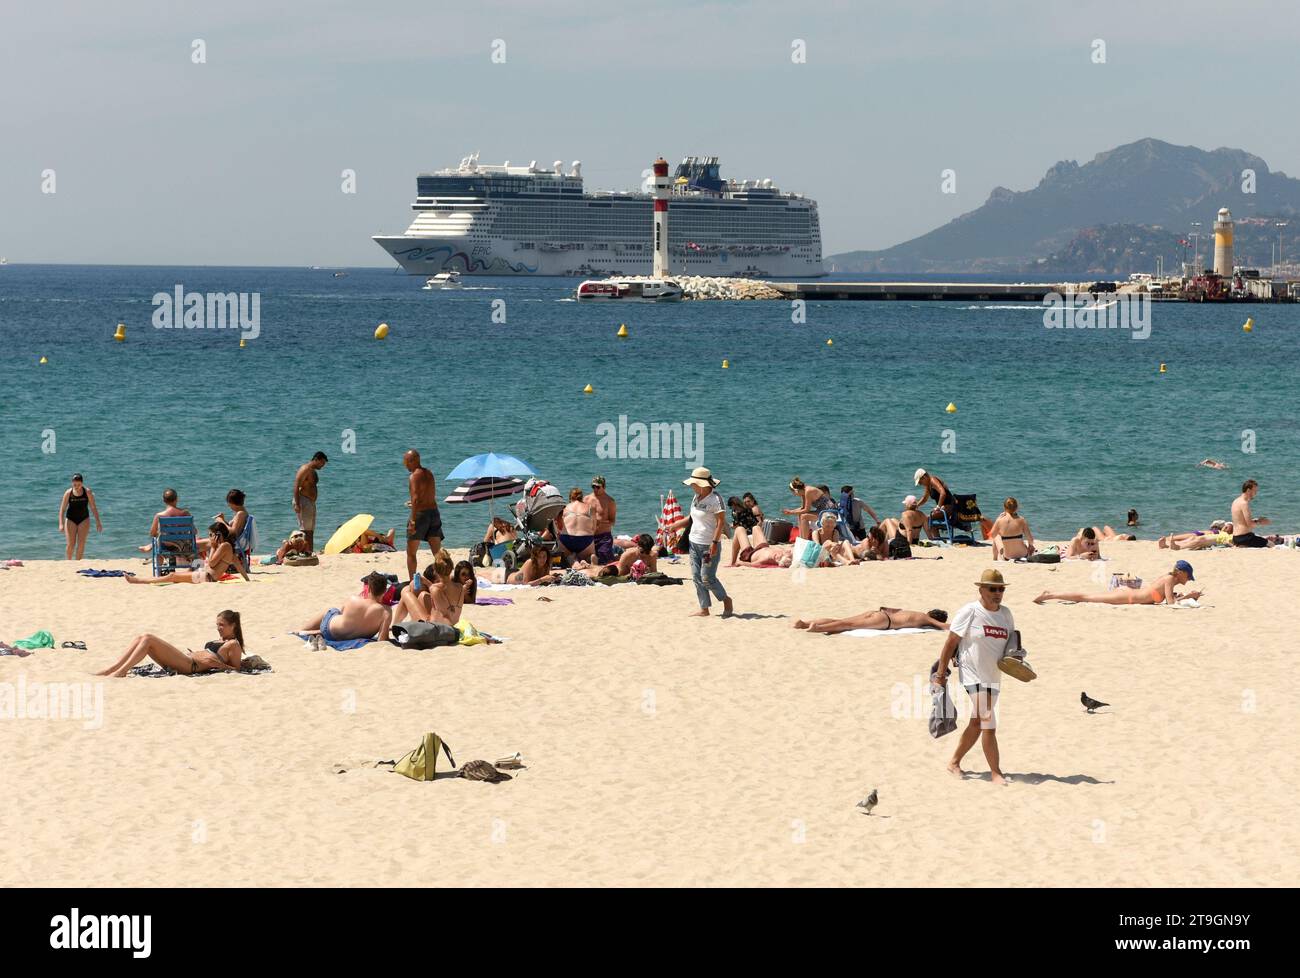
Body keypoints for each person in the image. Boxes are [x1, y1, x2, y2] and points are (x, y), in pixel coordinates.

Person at [935, 569, 1015, 785]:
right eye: (992, 589)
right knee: (988, 720)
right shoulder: (970, 611)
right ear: (981, 589)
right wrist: (941, 674)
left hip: (993, 675)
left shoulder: (1006, 614)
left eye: (1000, 589)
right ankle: (996, 772)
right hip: (972, 674)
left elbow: (1012, 644)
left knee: (977, 723)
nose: (997, 593)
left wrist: (1018, 655)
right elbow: (951, 642)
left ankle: (954, 762)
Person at [96, 610, 245, 678]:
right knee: (141, 637)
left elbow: (237, 669)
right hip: (185, 659)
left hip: (190, 666)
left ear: (233, 626)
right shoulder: (219, 640)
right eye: (217, 624)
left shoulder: (233, 644)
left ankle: (122, 671)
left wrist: (220, 666)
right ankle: (114, 668)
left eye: (222, 625)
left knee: (148, 638)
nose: (218, 628)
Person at [678, 467, 733, 617]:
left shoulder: (716, 499)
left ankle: (726, 600)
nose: (691, 486)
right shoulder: (696, 497)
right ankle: (704, 608)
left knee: (707, 577)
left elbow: (721, 522)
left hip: (709, 546)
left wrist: (715, 543)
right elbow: (692, 517)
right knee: (696, 577)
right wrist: (675, 526)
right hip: (693, 544)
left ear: (702, 484)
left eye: (693, 484)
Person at [1034, 559, 1202, 605]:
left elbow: (1165, 599)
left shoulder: (1170, 580)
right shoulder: (1169, 579)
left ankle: (1051, 594)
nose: (1188, 579)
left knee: (1087, 597)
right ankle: (1051, 595)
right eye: (1188, 576)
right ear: (1181, 573)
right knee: (1086, 597)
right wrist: (1189, 596)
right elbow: (1171, 604)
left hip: (1129, 594)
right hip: (1127, 597)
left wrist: (1184, 596)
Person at [126, 523, 249, 584]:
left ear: (218, 535)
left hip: (207, 578)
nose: (209, 537)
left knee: (172, 576)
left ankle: (139, 580)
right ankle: (144, 580)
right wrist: (248, 580)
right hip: (204, 574)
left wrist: (212, 547)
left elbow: (211, 563)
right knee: (190, 567)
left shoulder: (224, 546)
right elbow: (238, 564)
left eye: (210, 535)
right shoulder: (226, 546)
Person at [302, 571, 393, 642]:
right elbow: (382, 639)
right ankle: (310, 632)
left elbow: (342, 613)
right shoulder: (386, 611)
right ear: (385, 591)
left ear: (368, 588)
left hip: (329, 631)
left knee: (331, 611)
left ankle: (302, 630)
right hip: (349, 636)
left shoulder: (354, 599)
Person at [402, 449, 443, 577]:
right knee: (437, 553)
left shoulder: (414, 476)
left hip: (421, 516)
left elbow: (416, 498)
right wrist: (414, 503)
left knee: (411, 553)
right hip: (434, 513)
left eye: (406, 462)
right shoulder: (429, 473)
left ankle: (412, 581)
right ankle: (444, 578)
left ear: (412, 461)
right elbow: (429, 495)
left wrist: (413, 520)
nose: (405, 465)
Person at [394, 552, 459, 626]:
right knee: (411, 589)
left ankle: (395, 624)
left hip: (435, 627)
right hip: (443, 626)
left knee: (407, 592)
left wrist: (428, 583)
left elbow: (438, 593)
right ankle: (395, 624)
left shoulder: (436, 589)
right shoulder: (457, 586)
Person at [794, 607, 949, 634]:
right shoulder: (924, 618)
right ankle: (817, 628)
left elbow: (893, 609)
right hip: (884, 621)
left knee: (842, 620)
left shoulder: (915, 613)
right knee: (847, 625)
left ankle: (804, 623)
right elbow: (944, 626)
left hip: (879, 613)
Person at [58, 473, 102, 560]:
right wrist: (61, 524)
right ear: (72, 483)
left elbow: (93, 507)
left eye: (79, 484)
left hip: (84, 519)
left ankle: (78, 563)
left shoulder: (87, 492)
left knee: (81, 544)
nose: (77, 486)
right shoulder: (68, 493)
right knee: (71, 544)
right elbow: (62, 509)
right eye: (75, 484)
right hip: (70, 519)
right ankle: (69, 561)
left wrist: (98, 522)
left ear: (82, 483)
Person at [293, 452, 328, 552]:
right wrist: (297, 503)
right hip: (303, 500)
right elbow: (296, 485)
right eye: (322, 463)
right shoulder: (305, 469)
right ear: (316, 459)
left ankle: (310, 551)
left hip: (310, 502)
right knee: (304, 530)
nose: (322, 466)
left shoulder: (312, 471)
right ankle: (304, 552)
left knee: (310, 530)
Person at [783, 477, 835, 541]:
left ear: (796, 490)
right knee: (800, 515)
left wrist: (791, 513)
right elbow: (802, 508)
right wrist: (790, 511)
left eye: (793, 492)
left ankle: (805, 540)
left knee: (804, 516)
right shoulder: (803, 493)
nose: (794, 495)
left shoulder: (808, 491)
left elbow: (806, 510)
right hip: (821, 511)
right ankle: (802, 538)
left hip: (829, 511)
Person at [202, 489, 251, 556]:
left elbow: (233, 532)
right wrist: (223, 520)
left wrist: (221, 521)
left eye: (229, 503)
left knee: (198, 544)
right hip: (234, 541)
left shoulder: (240, 514)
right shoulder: (243, 513)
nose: (229, 506)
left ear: (232, 503)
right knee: (202, 542)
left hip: (233, 543)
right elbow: (233, 529)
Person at [913, 468, 955, 539]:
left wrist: (938, 507)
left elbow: (943, 493)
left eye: (920, 482)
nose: (920, 484)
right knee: (929, 518)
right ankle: (937, 538)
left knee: (928, 518)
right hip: (944, 508)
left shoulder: (933, 480)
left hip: (950, 507)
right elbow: (925, 498)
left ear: (924, 477)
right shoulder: (928, 485)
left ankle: (935, 538)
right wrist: (917, 505)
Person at [726, 495, 768, 566]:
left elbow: (736, 525)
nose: (732, 508)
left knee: (739, 529)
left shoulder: (736, 512)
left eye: (731, 507)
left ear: (734, 505)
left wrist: (728, 525)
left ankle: (732, 562)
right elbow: (757, 521)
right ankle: (732, 562)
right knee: (755, 528)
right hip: (756, 537)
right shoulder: (748, 509)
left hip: (747, 534)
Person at [557, 487, 596, 560]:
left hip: (567, 538)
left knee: (564, 559)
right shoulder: (590, 508)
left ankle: (572, 559)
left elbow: (559, 527)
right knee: (590, 556)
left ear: (570, 497)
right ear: (582, 497)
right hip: (585, 539)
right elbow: (594, 528)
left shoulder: (564, 508)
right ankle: (589, 557)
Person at [586, 476, 618, 564]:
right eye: (593, 487)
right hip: (589, 536)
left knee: (604, 558)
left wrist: (600, 522)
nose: (595, 489)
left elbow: (612, 521)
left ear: (604, 487)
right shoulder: (586, 499)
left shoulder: (610, 501)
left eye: (598, 487)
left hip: (604, 536)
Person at [1231, 479, 1271, 547]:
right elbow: (1249, 524)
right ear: (1248, 490)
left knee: (1259, 539)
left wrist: (1257, 520)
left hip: (1236, 538)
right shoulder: (1244, 503)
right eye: (1254, 491)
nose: (1255, 493)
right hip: (1244, 538)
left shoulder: (1236, 501)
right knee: (1271, 544)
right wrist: (1261, 522)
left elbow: (1242, 521)